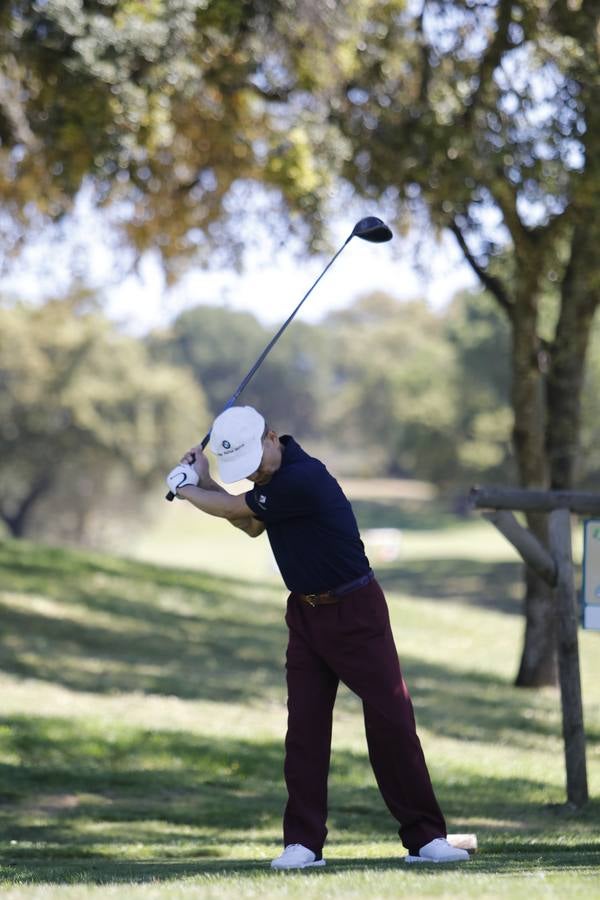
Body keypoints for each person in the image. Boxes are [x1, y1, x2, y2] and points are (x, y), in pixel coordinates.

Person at [166, 405, 469, 868]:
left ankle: (426, 838)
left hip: (356, 610)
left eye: (254, 464)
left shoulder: (303, 477)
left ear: (271, 437)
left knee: (391, 722)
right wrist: (203, 480)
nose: (254, 476)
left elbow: (234, 508)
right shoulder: (270, 482)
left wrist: (187, 489)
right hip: (306, 615)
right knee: (305, 731)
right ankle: (303, 844)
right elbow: (248, 522)